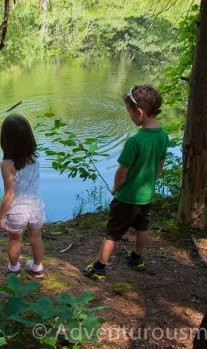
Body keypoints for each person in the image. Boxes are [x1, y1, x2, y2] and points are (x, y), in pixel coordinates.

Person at [82, 85, 169, 282]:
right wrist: (152, 182)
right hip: (146, 195)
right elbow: (160, 165)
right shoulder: (163, 136)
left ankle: (99, 268)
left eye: (129, 113)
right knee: (142, 226)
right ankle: (137, 258)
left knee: (112, 233)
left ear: (139, 112)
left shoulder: (135, 141)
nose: (129, 116)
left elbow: (122, 172)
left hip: (128, 198)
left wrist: (115, 188)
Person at [0, 114, 46, 279]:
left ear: (6, 140)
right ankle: (37, 268)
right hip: (36, 209)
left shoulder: (7, 165)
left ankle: (14, 269)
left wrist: (0, 217)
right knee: (36, 238)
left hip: (17, 212)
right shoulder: (35, 158)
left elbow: (10, 194)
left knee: (15, 240)